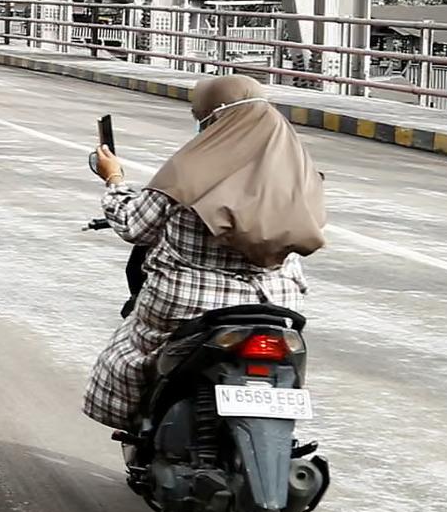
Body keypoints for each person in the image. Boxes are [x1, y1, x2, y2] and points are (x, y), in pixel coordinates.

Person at [81, 74, 327, 453]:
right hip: (277, 306)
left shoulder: (190, 169)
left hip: (190, 304)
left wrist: (113, 179)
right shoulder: (302, 173)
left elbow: (136, 226)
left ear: (214, 118)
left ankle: (142, 431)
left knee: (131, 353)